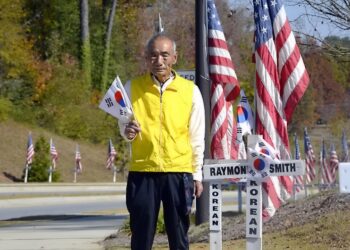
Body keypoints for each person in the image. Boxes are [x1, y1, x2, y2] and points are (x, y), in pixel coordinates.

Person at [118, 33, 205, 250]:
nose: (159, 61)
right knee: (140, 236)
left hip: (179, 171)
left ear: (174, 57)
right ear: (147, 58)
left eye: (165, 55)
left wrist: (197, 175)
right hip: (143, 170)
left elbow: (196, 136)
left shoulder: (190, 91)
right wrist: (127, 131)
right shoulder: (131, 88)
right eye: (154, 55)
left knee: (179, 236)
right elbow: (123, 125)